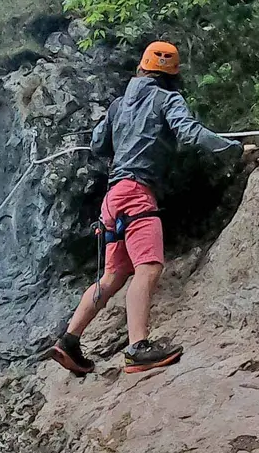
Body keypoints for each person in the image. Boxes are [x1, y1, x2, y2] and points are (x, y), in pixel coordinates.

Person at [45, 41, 238, 375]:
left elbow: (97, 144)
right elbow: (189, 132)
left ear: (142, 67)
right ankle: (138, 348)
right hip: (137, 193)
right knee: (147, 268)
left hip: (113, 197)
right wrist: (229, 148)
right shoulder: (167, 98)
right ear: (173, 75)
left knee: (114, 274)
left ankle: (69, 341)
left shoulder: (119, 104)